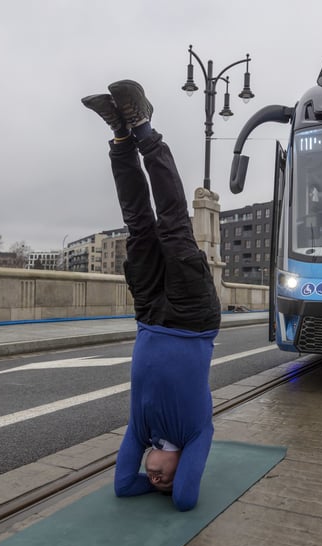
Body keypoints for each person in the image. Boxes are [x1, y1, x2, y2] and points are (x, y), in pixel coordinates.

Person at [81, 80, 221, 512]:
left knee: (138, 227)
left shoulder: (139, 433)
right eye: (165, 477)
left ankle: (121, 138)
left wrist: (145, 481)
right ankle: (144, 128)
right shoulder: (197, 434)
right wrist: (170, 490)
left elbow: (124, 485)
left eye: (154, 479)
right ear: (186, 464)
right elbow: (185, 499)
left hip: (149, 316)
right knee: (174, 224)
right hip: (193, 320)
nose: (157, 477)